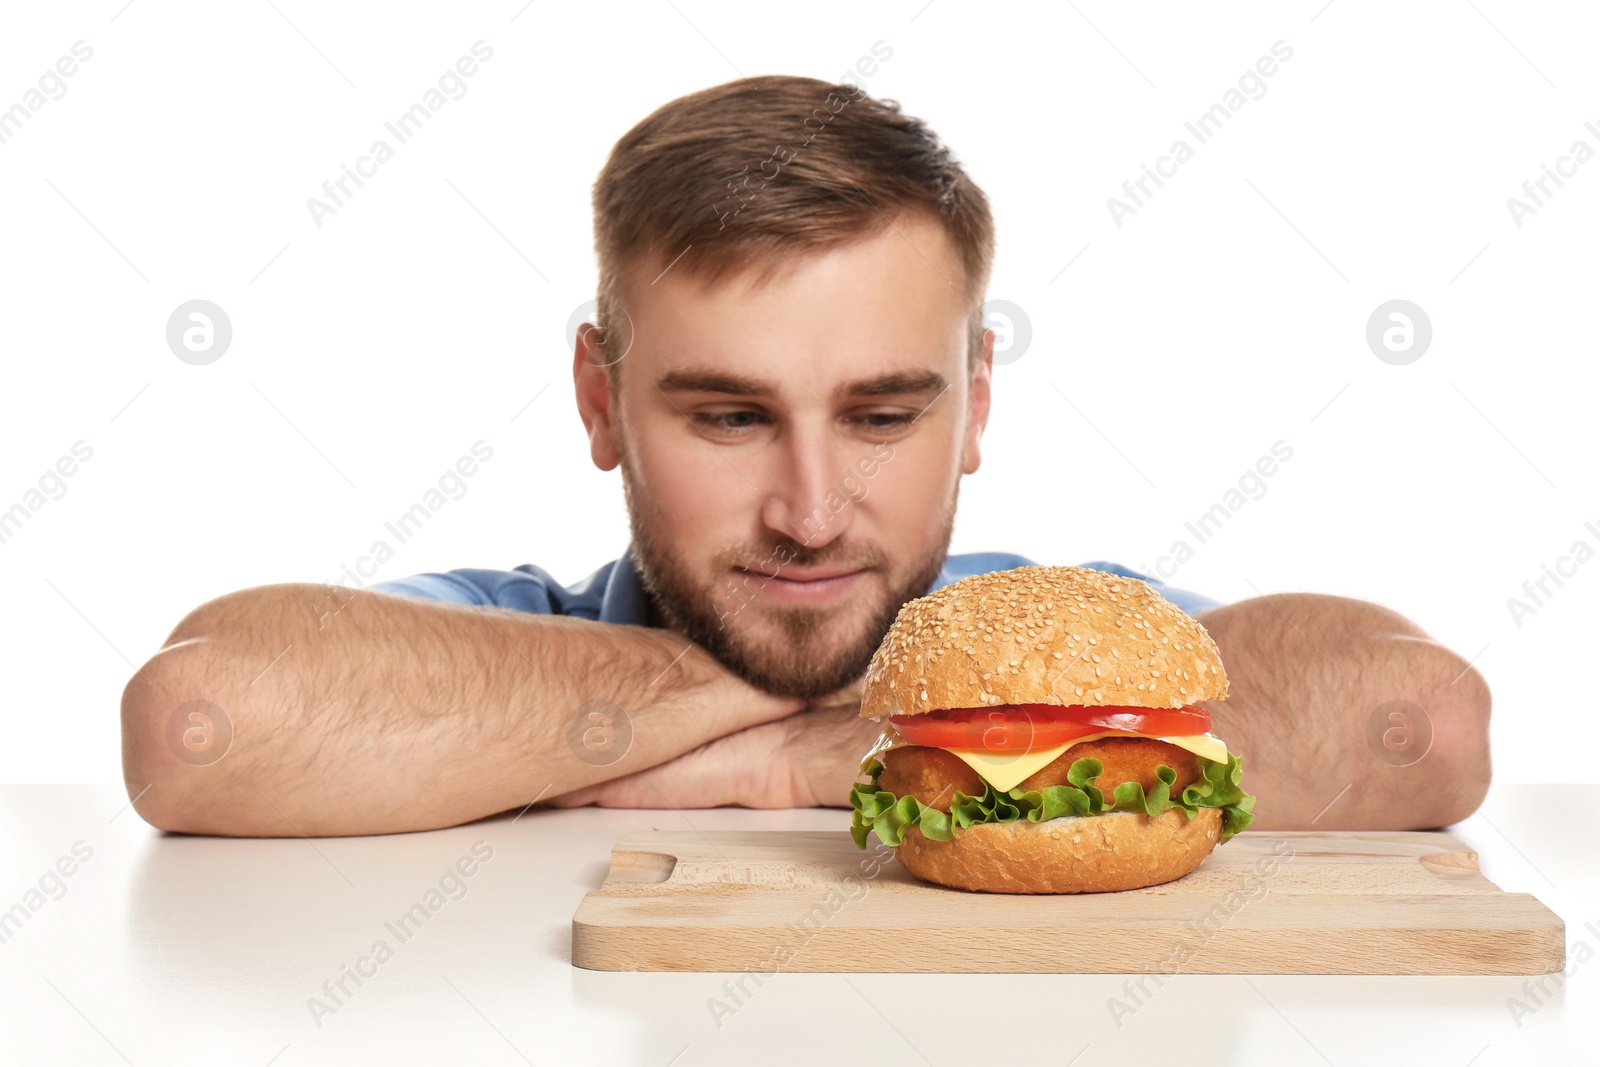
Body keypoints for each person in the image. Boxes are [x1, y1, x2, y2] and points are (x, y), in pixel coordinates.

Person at [119, 76, 1490, 837]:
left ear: (977, 403)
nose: (814, 513)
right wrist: (787, 727)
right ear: (600, 402)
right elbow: (204, 726)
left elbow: (1425, 727)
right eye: (728, 416)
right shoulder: (513, 631)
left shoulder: (1058, 632)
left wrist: (859, 742)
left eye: (886, 417)